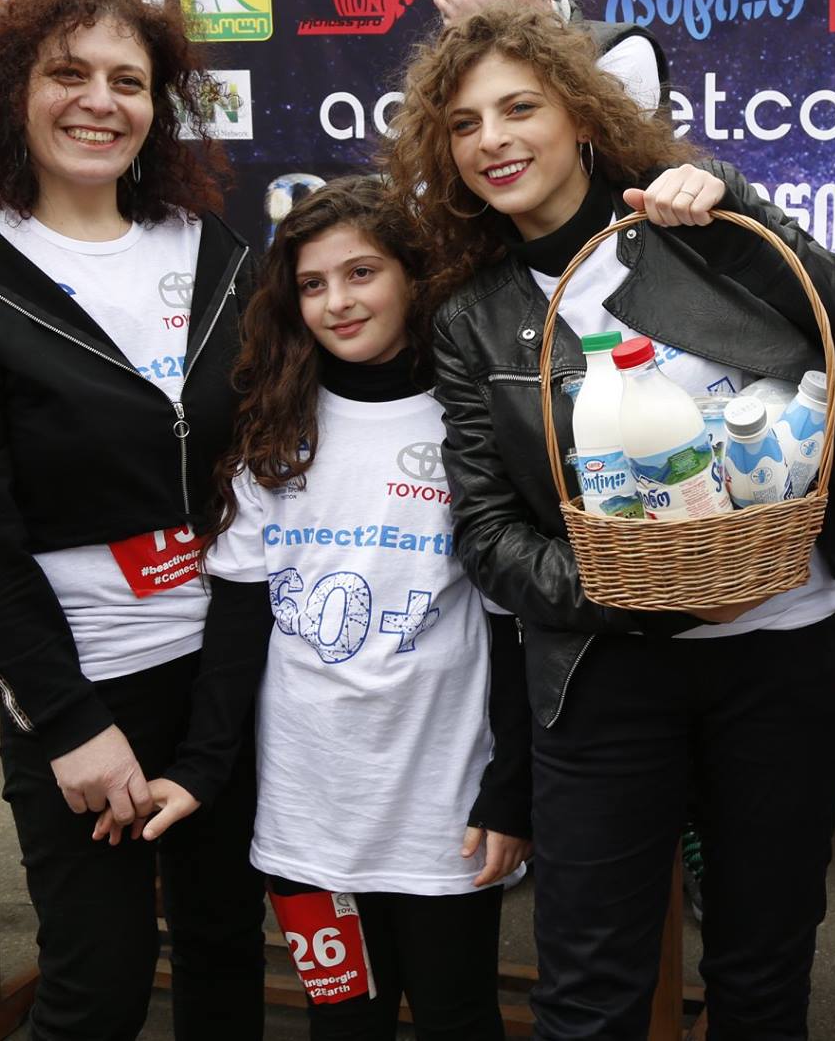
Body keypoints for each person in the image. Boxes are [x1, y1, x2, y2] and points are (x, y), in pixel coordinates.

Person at [384, 5, 835, 1039]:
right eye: (463, 123)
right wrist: (647, 596)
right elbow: (488, 536)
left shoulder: (707, 234)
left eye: (519, 107)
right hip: (601, 674)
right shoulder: (472, 317)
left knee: (763, 974)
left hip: (782, 657)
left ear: (581, 116)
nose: (492, 139)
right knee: (589, 994)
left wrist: (740, 213)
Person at [0, 0, 266, 1040]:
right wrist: (68, 721)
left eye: (128, 81)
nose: (100, 101)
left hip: (226, 671)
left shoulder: (211, 247)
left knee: (225, 951)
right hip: (86, 683)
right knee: (97, 988)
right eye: (68, 74)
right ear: (11, 91)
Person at [143, 175, 532, 1040]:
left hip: (443, 810)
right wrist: (202, 767)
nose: (338, 302)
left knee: (458, 1015)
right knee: (344, 1021)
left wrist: (512, 791)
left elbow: (512, 627)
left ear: (413, 277)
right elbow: (239, 625)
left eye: (362, 273)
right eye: (313, 284)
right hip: (308, 814)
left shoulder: (469, 420)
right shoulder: (273, 426)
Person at [430, 0, 667, 112]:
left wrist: (495, 35)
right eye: (473, 28)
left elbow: (600, 137)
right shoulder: (436, 77)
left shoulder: (622, 47)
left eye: (517, 17)